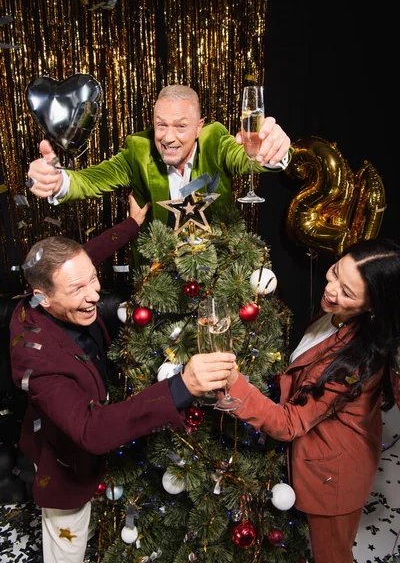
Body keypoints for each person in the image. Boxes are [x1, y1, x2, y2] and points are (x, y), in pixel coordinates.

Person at [9, 193, 236, 563]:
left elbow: (85, 259)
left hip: (96, 432)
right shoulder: (36, 360)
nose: (94, 295)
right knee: (67, 543)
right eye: (78, 290)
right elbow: (92, 431)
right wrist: (183, 386)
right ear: (42, 299)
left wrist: (131, 225)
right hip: (63, 463)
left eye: (93, 280)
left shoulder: (64, 277)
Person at [224, 237, 400, 563]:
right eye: (335, 272)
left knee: (332, 555)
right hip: (330, 450)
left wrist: (235, 384)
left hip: (334, 477)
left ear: (372, 305)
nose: (331, 289)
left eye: (348, 292)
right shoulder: (337, 316)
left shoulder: (354, 362)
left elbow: (289, 423)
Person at [26, 84, 292, 266]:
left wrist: (270, 151)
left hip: (217, 277)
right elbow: (92, 179)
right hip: (157, 282)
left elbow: (244, 157)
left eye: (180, 126)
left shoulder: (215, 142)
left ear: (199, 127)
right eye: (160, 125)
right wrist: (59, 181)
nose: (168, 137)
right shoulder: (138, 151)